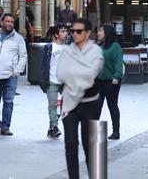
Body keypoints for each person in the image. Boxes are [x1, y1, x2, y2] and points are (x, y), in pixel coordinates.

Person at [56, 18, 104, 179]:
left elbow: (91, 75)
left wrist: (73, 74)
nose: (74, 34)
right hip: (69, 105)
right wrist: (79, 72)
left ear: (88, 33)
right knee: (70, 145)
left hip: (90, 104)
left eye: (78, 31)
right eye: (72, 31)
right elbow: (61, 74)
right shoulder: (67, 51)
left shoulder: (96, 51)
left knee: (91, 146)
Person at [39, 24, 68, 139]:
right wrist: (43, 80)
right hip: (51, 80)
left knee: (63, 107)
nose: (65, 33)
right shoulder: (49, 48)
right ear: (56, 34)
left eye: (66, 31)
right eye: (62, 31)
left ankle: (51, 128)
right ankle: (55, 127)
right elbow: (43, 66)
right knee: (53, 105)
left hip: (64, 82)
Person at [96, 24, 123, 140]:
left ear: (106, 33)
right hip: (98, 82)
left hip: (111, 81)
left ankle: (116, 131)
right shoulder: (100, 47)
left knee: (112, 105)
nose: (98, 33)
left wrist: (116, 76)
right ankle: (94, 131)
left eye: (100, 31)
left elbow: (118, 63)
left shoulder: (115, 47)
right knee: (96, 107)